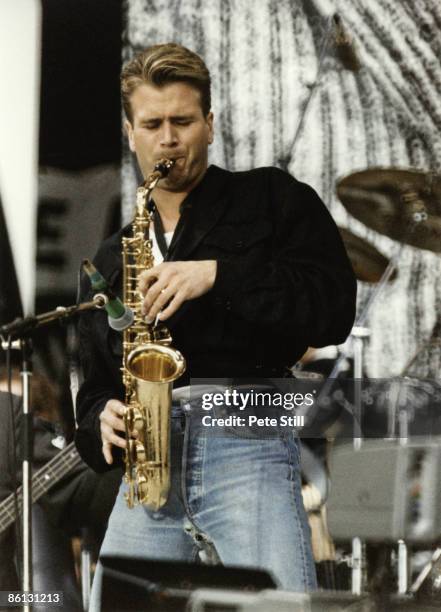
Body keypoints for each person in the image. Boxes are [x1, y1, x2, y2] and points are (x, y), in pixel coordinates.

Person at [75, 42, 356, 607]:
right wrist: (97, 419)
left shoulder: (273, 198)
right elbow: (97, 380)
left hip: (246, 444)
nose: (169, 138)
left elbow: (333, 308)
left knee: (284, 607)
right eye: (152, 123)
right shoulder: (112, 255)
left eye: (183, 120)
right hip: (147, 475)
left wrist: (220, 276)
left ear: (210, 123)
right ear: (131, 133)